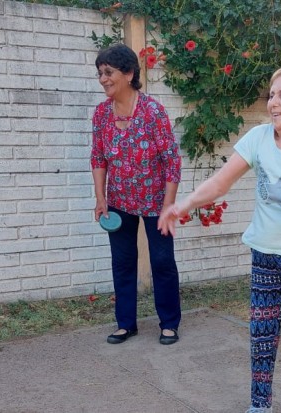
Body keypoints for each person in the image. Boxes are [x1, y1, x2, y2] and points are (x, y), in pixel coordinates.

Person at [158, 65, 281, 413]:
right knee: (262, 336)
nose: (272, 102)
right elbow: (220, 182)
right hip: (266, 254)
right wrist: (182, 204)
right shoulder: (259, 138)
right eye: (271, 95)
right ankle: (260, 405)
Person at [91, 43, 182, 346]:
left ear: (129, 73)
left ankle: (169, 323)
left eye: (109, 72)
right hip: (119, 201)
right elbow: (98, 158)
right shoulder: (102, 114)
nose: (103, 78)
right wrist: (101, 197)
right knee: (123, 261)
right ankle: (125, 324)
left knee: (162, 262)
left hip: (157, 201)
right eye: (100, 73)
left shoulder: (153, 111)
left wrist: (169, 206)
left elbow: (171, 160)